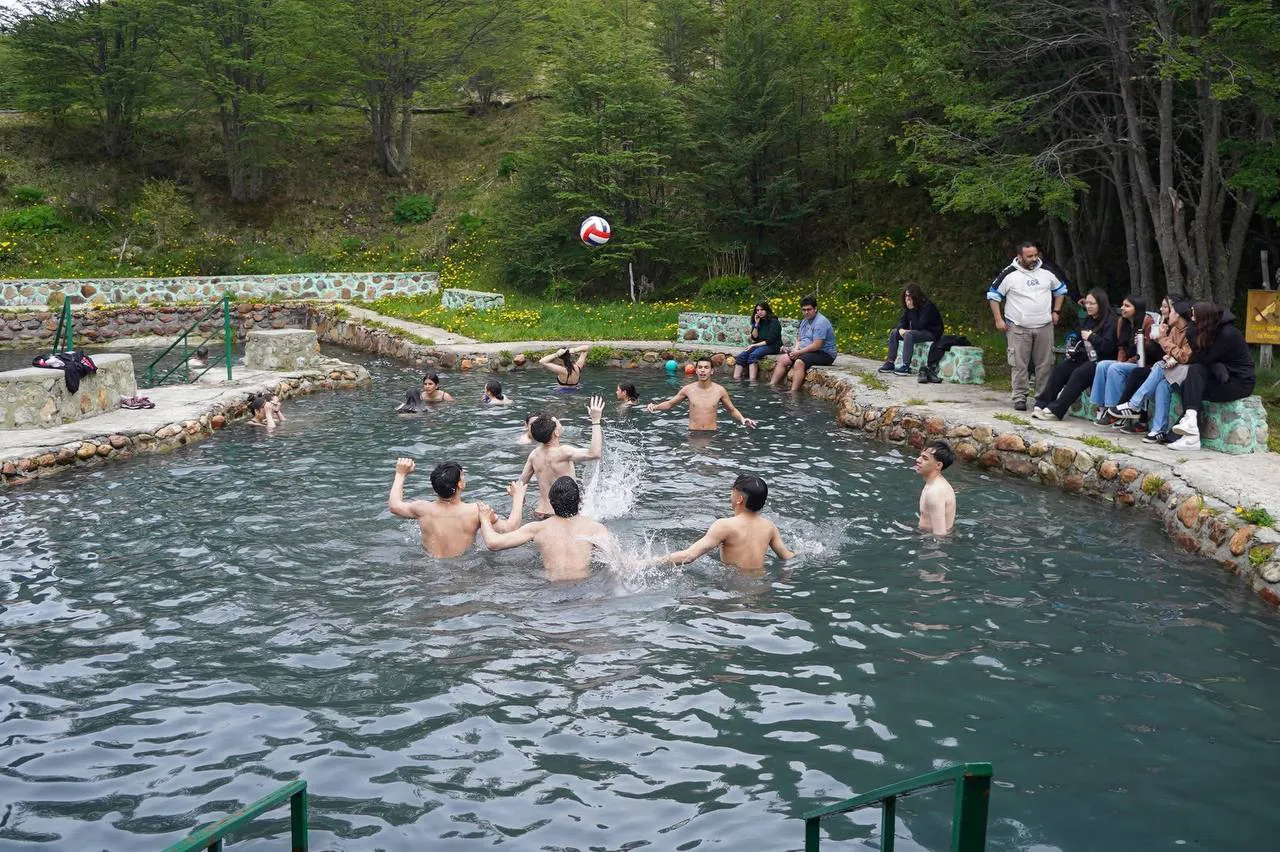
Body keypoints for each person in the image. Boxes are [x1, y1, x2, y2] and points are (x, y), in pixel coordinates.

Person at [653, 474, 794, 573]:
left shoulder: (724, 525)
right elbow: (786, 556)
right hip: (759, 588)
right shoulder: (769, 526)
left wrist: (648, 563)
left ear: (739, 499)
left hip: (732, 588)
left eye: (732, 492)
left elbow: (689, 556)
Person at [477, 475, 608, 581]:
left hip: (551, 590)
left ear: (551, 503)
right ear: (580, 501)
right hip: (585, 588)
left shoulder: (537, 528)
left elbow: (493, 543)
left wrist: (484, 518)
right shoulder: (595, 528)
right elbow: (617, 559)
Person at [388, 458, 526, 558]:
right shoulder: (477, 511)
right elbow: (510, 528)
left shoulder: (422, 508)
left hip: (430, 570)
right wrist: (518, 498)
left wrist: (400, 474)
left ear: (434, 487)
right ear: (460, 484)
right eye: (463, 475)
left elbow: (394, 506)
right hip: (463, 571)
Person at [987, 241, 1068, 411]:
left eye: (1035, 255)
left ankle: (1043, 397)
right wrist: (998, 319)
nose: (1033, 259)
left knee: (1045, 363)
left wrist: (1056, 312)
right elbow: (993, 295)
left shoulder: (1047, 271)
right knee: (1018, 363)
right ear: (1019, 257)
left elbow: (1060, 290)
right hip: (1018, 326)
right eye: (1029, 256)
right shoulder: (1009, 273)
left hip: (1044, 325)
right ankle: (1019, 397)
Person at [1166, 302, 1256, 451]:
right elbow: (1199, 359)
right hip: (1220, 377)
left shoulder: (1228, 333)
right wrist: (1215, 365)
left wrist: (1214, 364)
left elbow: (1207, 357)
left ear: (1204, 317)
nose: (1191, 317)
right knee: (1190, 382)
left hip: (1239, 382)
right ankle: (1191, 429)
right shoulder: (1201, 331)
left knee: (1193, 384)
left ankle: (1191, 434)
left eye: (1194, 313)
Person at [1107, 298, 1193, 443]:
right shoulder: (1173, 330)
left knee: (1158, 366)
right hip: (1173, 372)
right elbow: (1172, 353)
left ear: (1178, 314)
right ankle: (1158, 430)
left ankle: (1134, 404)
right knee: (1161, 386)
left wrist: (1162, 339)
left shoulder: (1190, 332)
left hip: (1189, 373)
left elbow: (1184, 356)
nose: (1165, 312)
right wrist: (1166, 348)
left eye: (1170, 310)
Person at [1031, 288, 1117, 421]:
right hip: (1083, 357)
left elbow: (1109, 347)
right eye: (1086, 303)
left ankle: (1057, 409)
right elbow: (1077, 338)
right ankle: (1042, 403)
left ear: (1101, 304)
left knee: (1079, 374)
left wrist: (1092, 337)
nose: (1088, 306)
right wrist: (1072, 350)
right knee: (1061, 370)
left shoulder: (1111, 322)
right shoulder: (1088, 320)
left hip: (1101, 362)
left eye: (1092, 303)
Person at [520, 396, 605, 516]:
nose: (560, 424)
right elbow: (595, 453)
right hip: (561, 515)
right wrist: (596, 420)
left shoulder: (534, 455)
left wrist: (521, 504)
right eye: (558, 423)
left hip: (540, 512)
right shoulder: (563, 452)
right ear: (556, 432)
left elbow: (520, 485)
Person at [1089, 295, 1157, 425]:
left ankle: (1115, 411)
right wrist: (1121, 361)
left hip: (1142, 363)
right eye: (1122, 305)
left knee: (1115, 368)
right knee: (1103, 365)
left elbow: (1147, 352)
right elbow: (1121, 346)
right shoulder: (1122, 322)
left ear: (1137, 308)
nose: (1122, 309)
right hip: (1127, 361)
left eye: (1127, 306)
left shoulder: (1147, 322)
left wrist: (1124, 364)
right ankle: (1102, 407)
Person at [647, 359, 757, 430]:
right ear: (696, 371)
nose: (703, 370)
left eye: (706, 367)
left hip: (712, 434)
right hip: (693, 434)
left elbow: (732, 410)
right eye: (700, 367)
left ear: (712, 371)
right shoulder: (688, 389)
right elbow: (670, 404)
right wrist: (655, 407)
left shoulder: (720, 390)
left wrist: (743, 419)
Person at [770, 295, 837, 392]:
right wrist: (796, 350)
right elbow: (799, 338)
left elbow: (817, 345)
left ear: (815, 309)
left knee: (799, 362)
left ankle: (793, 392)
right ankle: (772, 386)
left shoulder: (820, 322)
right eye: (804, 310)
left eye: (809, 309)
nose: (806, 312)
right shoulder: (805, 321)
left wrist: (799, 352)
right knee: (782, 359)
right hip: (806, 351)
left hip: (825, 354)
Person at [879, 283, 943, 376]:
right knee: (894, 332)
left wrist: (912, 309)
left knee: (909, 335)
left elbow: (921, 325)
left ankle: (905, 366)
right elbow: (902, 321)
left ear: (916, 295)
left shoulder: (927, 306)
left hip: (931, 333)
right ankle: (890, 362)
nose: (907, 298)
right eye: (906, 295)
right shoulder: (909, 307)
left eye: (909, 295)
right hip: (918, 332)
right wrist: (901, 329)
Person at [915, 440, 956, 536]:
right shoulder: (934, 484)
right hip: (926, 536)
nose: (918, 460)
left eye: (925, 458)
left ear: (938, 465)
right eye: (920, 456)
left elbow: (940, 534)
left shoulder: (935, 491)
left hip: (930, 543)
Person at [733, 301, 783, 381]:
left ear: (767, 310)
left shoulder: (774, 322)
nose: (759, 312)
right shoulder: (759, 321)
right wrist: (756, 324)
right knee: (741, 356)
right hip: (760, 345)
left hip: (772, 346)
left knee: (753, 355)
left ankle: (752, 383)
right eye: (757, 310)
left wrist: (753, 345)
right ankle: (736, 380)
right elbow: (754, 337)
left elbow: (770, 341)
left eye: (762, 309)